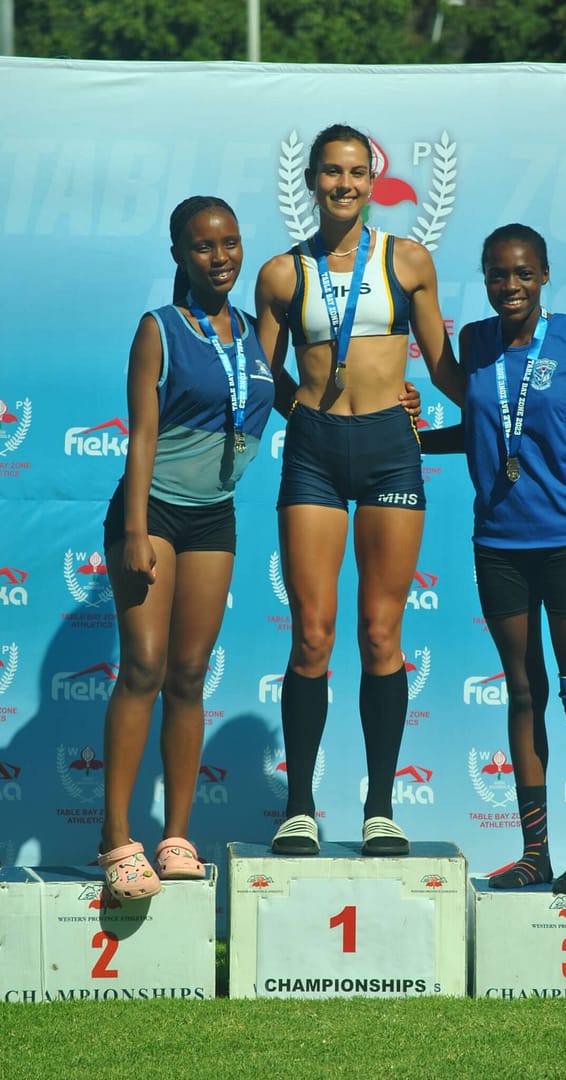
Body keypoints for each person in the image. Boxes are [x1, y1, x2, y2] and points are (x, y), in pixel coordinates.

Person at [255, 123, 462, 857]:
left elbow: (443, 367)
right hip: (314, 453)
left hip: (389, 454)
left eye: (355, 173)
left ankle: (380, 809)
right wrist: (306, 418)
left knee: (380, 634)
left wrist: (501, 413)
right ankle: (299, 808)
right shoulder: (281, 274)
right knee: (312, 634)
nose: (343, 184)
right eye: (330, 172)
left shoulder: (407, 259)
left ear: (372, 182)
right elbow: (262, 374)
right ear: (311, 180)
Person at [420, 224, 566, 893]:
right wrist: (413, 436)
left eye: (521, 273)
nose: (508, 285)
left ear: (543, 276)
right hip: (498, 545)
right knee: (521, 690)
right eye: (496, 274)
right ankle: (535, 853)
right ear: (484, 278)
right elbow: (483, 429)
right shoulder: (474, 342)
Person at [97, 196, 278, 900]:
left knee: (189, 673)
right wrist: (135, 529)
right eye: (203, 246)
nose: (220, 256)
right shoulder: (160, 328)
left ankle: (175, 837)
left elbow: (299, 397)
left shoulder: (258, 332)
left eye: (229, 242)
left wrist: (397, 405)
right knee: (143, 666)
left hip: (214, 518)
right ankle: (116, 837)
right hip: (153, 514)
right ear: (179, 254)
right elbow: (141, 435)